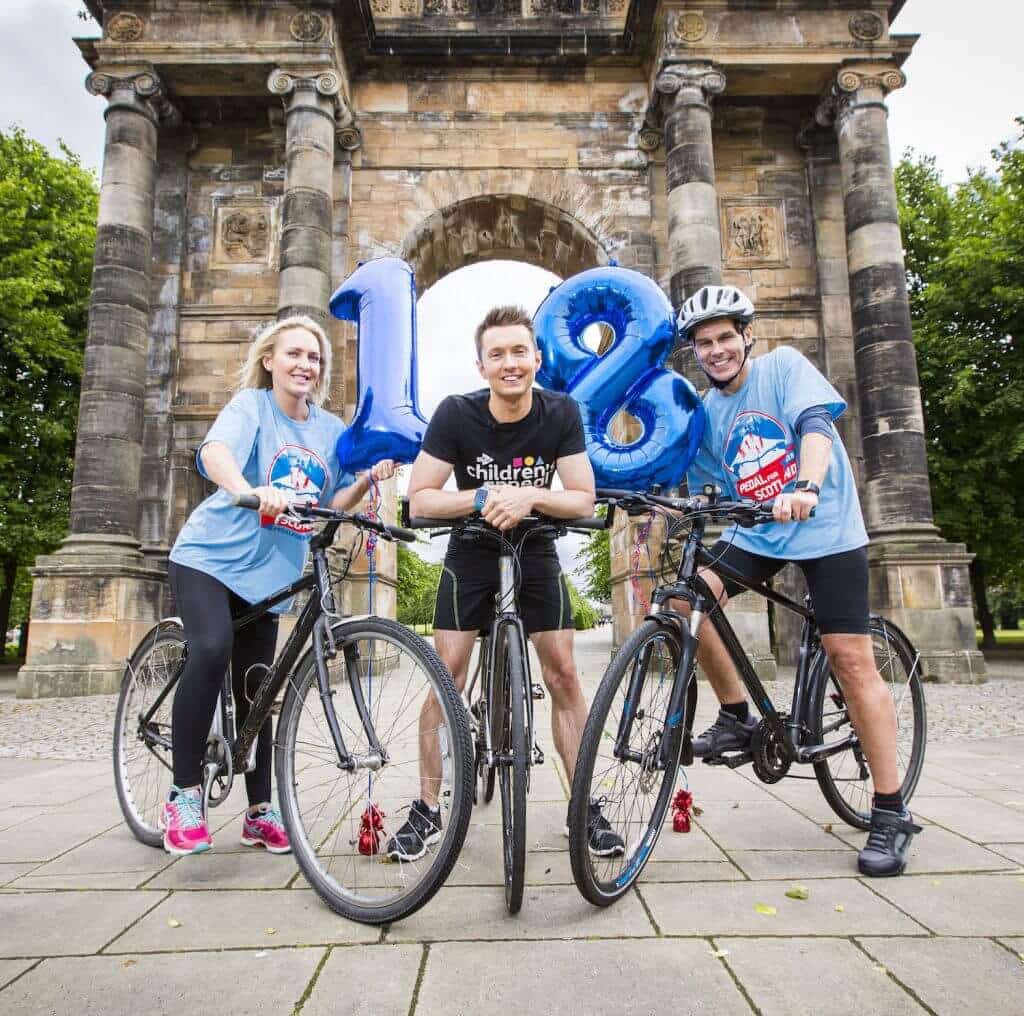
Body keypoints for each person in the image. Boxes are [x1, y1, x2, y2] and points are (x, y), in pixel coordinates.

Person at [677, 284, 921, 877]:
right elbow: (704, 482)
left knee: (850, 657)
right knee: (689, 600)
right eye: (704, 344)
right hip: (761, 534)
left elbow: (815, 428)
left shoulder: (785, 367)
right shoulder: (706, 411)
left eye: (725, 338)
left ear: (746, 337)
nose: (716, 351)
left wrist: (807, 485)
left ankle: (890, 813)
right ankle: (737, 714)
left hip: (825, 527)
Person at [392, 304, 624, 861]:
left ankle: (583, 806)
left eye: (519, 352)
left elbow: (582, 497)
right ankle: (426, 807)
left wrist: (530, 496)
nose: (510, 363)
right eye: (497, 354)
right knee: (446, 673)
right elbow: (420, 496)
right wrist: (478, 497)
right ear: (481, 366)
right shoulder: (455, 414)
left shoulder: (560, 411)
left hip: (534, 545)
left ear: (536, 358)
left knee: (564, 672)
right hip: (470, 548)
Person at [163, 315, 395, 856]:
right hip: (210, 558)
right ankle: (183, 794)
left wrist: (367, 478)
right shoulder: (252, 408)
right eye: (294, 354)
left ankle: (259, 812)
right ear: (270, 359)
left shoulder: (331, 430)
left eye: (314, 357)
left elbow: (329, 506)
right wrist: (250, 489)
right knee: (213, 648)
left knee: (260, 687)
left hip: (269, 576)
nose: (305, 365)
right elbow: (214, 454)